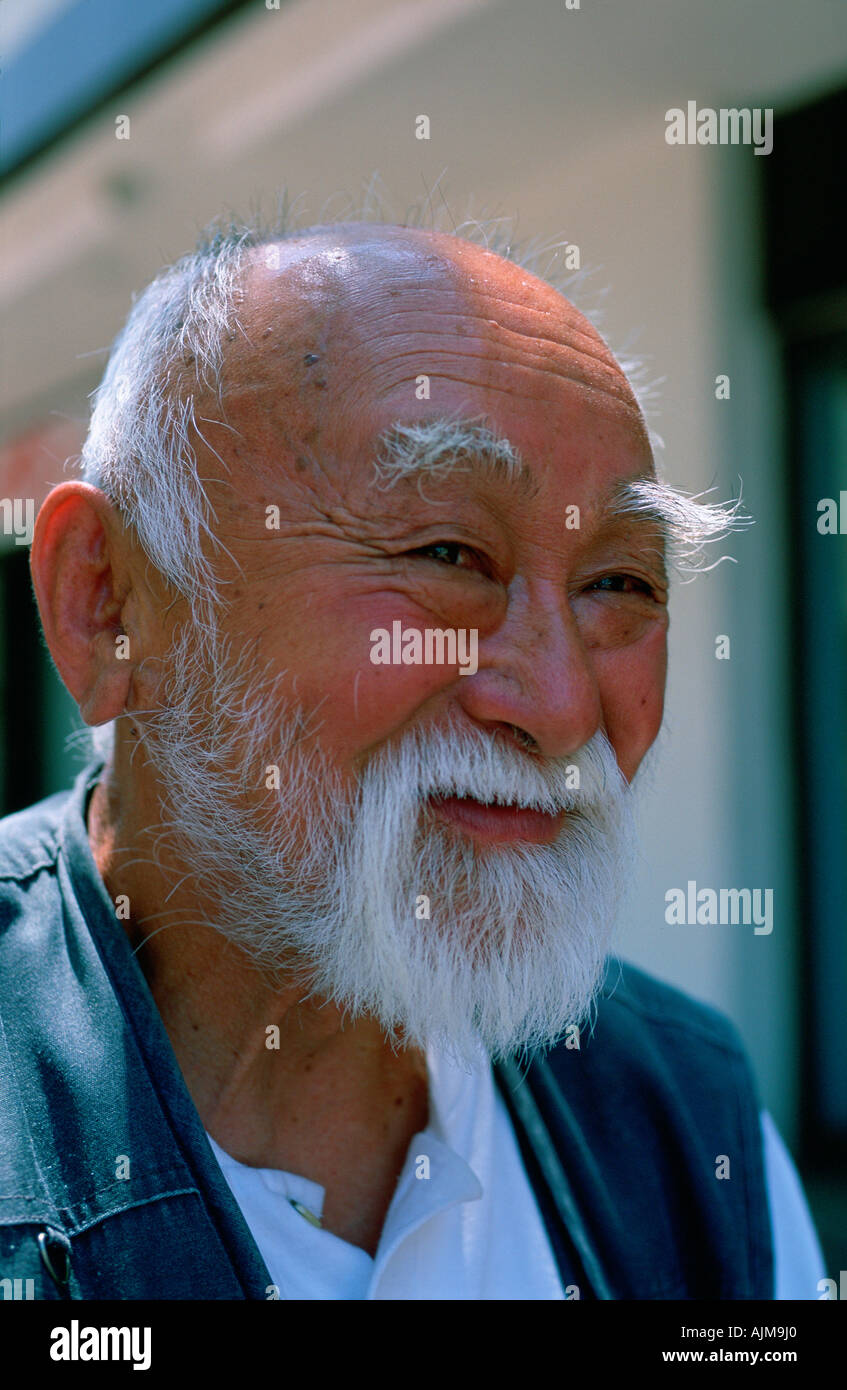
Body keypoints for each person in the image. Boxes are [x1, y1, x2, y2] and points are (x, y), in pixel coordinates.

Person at [0, 217, 824, 1299]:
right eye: (446, 553)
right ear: (107, 603)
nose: (563, 706)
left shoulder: (682, 1119)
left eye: (618, 584)